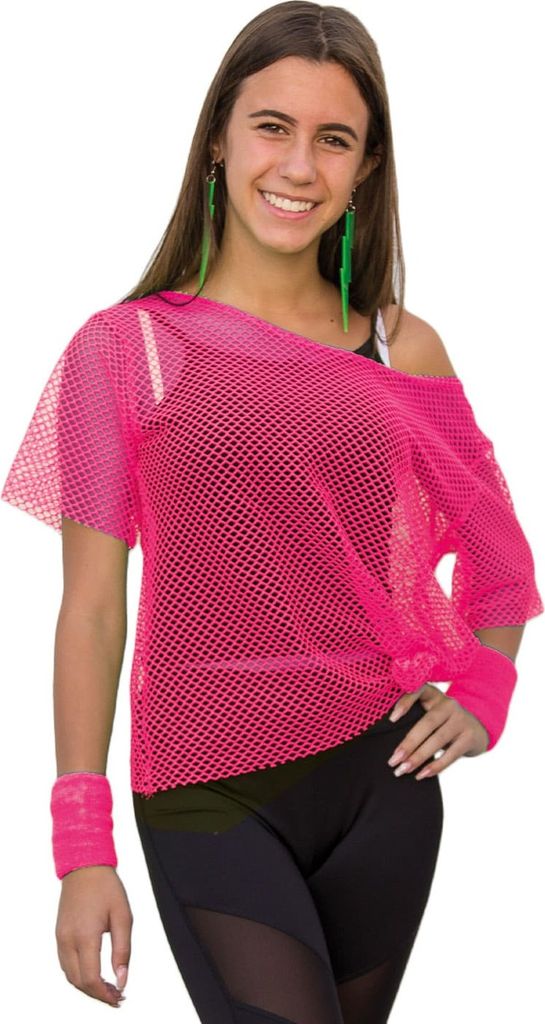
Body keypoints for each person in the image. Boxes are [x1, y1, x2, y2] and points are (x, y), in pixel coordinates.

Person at [1, 3, 543, 1022]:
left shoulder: (399, 347)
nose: (297, 166)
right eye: (270, 127)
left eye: (332, 139)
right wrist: (81, 845)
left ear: (365, 168)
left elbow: (501, 563)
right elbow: (93, 611)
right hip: (205, 785)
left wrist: (483, 690)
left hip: (380, 776)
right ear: (218, 137)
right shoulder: (126, 349)